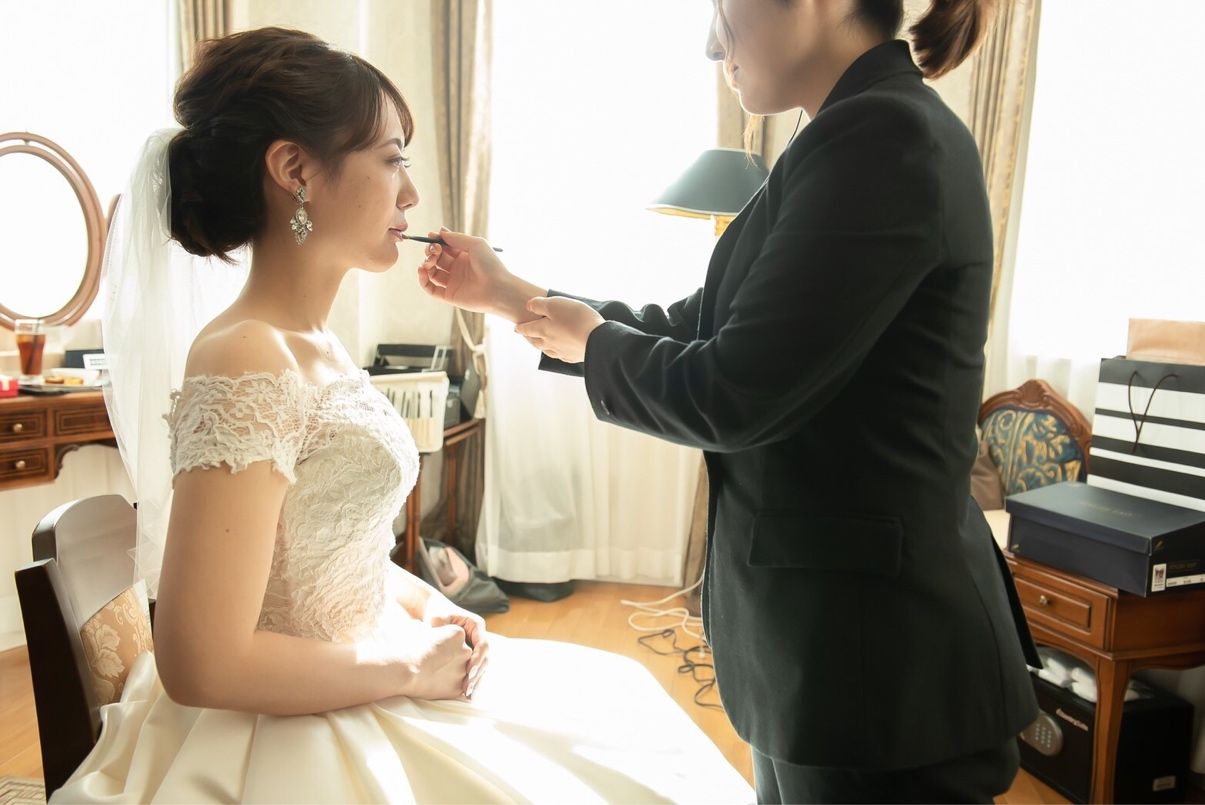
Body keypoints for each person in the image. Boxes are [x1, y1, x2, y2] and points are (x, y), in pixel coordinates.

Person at [54, 27, 752, 803]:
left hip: (363, 665)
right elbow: (202, 663)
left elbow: (321, 549)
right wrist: (409, 668)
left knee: (617, 716)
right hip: (282, 731)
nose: (410, 196)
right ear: (294, 171)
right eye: (392, 159)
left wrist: (429, 601)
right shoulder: (245, 353)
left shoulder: (318, 345)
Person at [418, 0, 1041, 802]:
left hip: (874, 660)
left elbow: (734, 389)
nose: (712, 42)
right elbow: (696, 326)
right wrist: (507, 294)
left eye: (721, 7)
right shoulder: (848, 135)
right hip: (836, 652)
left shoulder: (881, 138)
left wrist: (594, 344)